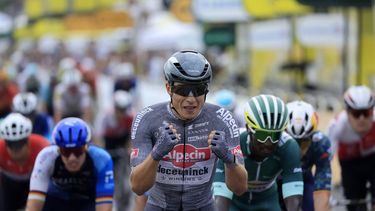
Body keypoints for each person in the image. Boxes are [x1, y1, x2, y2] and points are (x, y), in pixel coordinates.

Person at [130, 50, 248, 210]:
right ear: (168, 88)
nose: (191, 98)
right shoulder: (147, 118)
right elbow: (137, 187)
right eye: (183, 90)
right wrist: (156, 154)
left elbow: (240, 188)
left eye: (199, 89)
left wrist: (228, 158)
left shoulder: (222, 119)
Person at [214, 94, 304, 211]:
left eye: (275, 135)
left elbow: (294, 199)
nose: (268, 143)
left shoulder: (288, 146)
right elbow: (220, 198)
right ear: (248, 129)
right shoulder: (232, 143)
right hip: (234, 202)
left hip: (267, 201)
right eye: (262, 135)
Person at [26, 117, 114, 211]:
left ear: (86, 147)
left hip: (86, 201)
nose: (72, 158)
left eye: (77, 151)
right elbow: (33, 207)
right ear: (59, 150)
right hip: (54, 201)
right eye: (66, 152)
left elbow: (104, 208)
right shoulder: (45, 158)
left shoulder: (102, 159)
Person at [328, 85, 375, 211]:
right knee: (355, 205)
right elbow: (326, 160)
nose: (362, 119)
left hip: (372, 158)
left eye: (366, 113)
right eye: (356, 113)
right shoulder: (337, 126)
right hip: (349, 163)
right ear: (347, 112)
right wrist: (326, 190)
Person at [284, 100, 332, 211]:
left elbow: (322, 190)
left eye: (303, 142)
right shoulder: (273, 142)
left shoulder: (321, 143)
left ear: (312, 137)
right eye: (291, 141)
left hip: (304, 180)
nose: (297, 149)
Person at [94, 90, 135, 210]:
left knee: (124, 173)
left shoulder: (131, 116)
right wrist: (102, 152)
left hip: (122, 145)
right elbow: (98, 137)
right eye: (119, 110)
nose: (121, 113)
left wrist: (130, 150)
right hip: (107, 145)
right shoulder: (105, 116)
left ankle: (125, 200)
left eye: (124, 110)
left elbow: (132, 137)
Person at [0, 113, 50, 210]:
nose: (16, 151)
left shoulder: (42, 147)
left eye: (19, 145)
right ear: (5, 144)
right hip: (9, 187)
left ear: (27, 141)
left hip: (36, 184)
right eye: (11, 145)